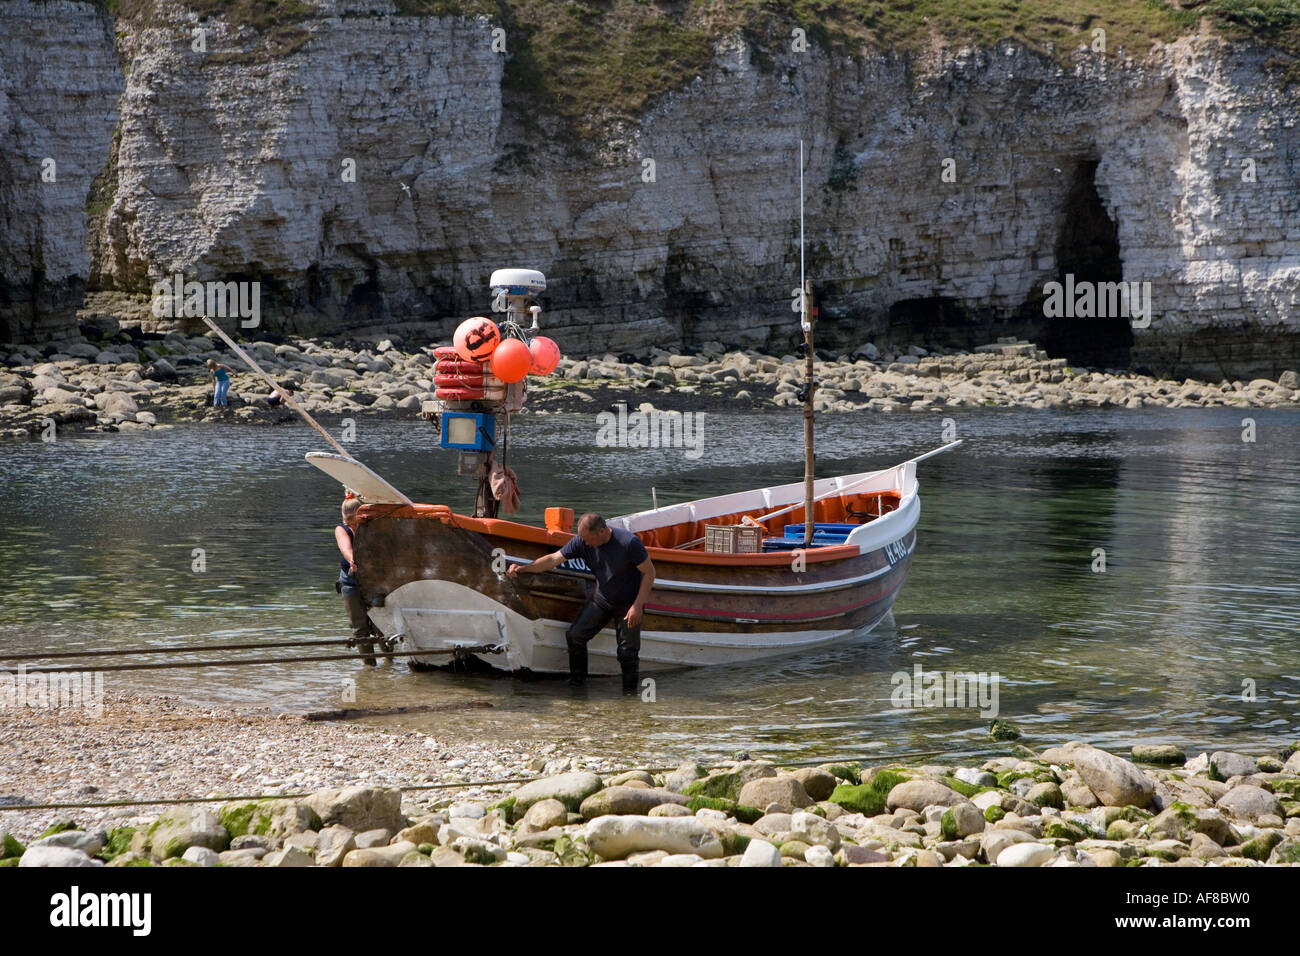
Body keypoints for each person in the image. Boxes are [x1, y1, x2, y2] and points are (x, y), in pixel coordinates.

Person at [508, 512, 654, 692]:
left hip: (628, 603)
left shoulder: (629, 543)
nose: (585, 543)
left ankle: (630, 698)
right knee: (575, 636)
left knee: (627, 654)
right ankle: (578, 686)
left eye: (588, 539)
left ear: (602, 532)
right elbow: (553, 559)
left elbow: (649, 573)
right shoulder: (582, 541)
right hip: (603, 599)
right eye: (582, 538)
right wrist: (523, 569)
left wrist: (637, 606)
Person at [335, 495, 379, 666]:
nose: (353, 522)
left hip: (374, 581)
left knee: (380, 624)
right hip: (350, 583)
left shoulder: (369, 527)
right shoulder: (342, 529)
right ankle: (370, 666)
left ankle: (390, 659)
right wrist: (353, 560)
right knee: (360, 628)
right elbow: (346, 549)